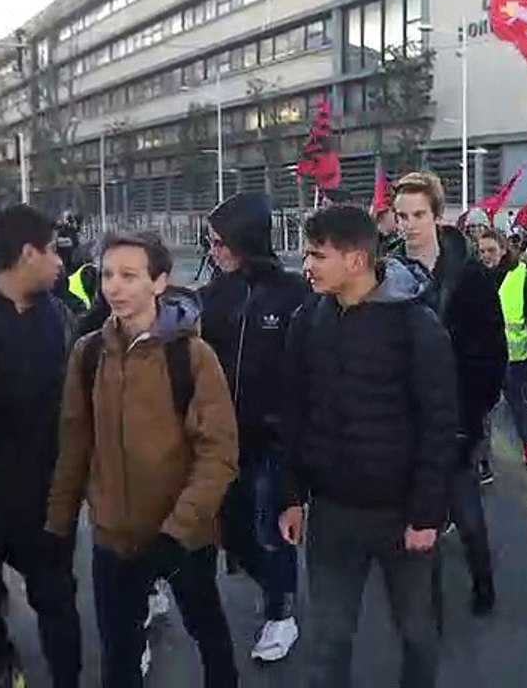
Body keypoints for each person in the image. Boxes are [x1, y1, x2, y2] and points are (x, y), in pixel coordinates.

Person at [46, 232, 239, 687]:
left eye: (129, 276)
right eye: (108, 274)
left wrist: (178, 530)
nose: (114, 286)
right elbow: (75, 443)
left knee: (209, 636)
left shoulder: (191, 356)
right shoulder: (89, 352)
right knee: (120, 654)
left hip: (182, 536)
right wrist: (59, 523)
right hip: (114, 537)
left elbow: (219, 452)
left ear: (159, 282)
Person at [277, 206, 457, 687]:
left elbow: (439, 426)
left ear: (355, 260)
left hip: (402, 516)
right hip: (331, 513)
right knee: (330, 640)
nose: (307, 266)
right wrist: (291, 495)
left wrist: (425, 514)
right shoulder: (308, 321)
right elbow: (293, 414)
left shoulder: (417, 327)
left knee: (417, 633)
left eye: (317, 255)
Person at [0, 204, 82, 688]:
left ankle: (66, 678)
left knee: (55, 597)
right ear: (29, 253)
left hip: (43, 491)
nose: (60, 263)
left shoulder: (59, 316)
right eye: (53, 252)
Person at [198, 192, 311, 662]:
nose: (214, 252)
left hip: (276, 439)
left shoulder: (293, 296)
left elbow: (308, 370)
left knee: (273, 528)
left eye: (221, 243)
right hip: (224, 439)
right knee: (236, 531)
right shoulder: (214, 294)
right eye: (210, 243)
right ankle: (267, 578)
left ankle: (280, 613)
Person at [392, 172, 505, 620]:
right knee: (419, 520)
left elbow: (492, 349)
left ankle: (484, 583)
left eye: (419, 215)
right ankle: (426, 608)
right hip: (404, 419)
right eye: (401, 216)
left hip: (458, 416)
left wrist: (474, 414)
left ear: (438, 217)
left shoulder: (469, 275)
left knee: (467, 512)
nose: (409, 225)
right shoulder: (388, 273)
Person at [477, 229, 527, 475]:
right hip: (484, 354)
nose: (486, 256)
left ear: (504, 249)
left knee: (518, 405)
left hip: (514, 356)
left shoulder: (523, 276)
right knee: (482, 409)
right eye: (482, 251)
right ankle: (483, 459)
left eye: (491, 250)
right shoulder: (477, 276)